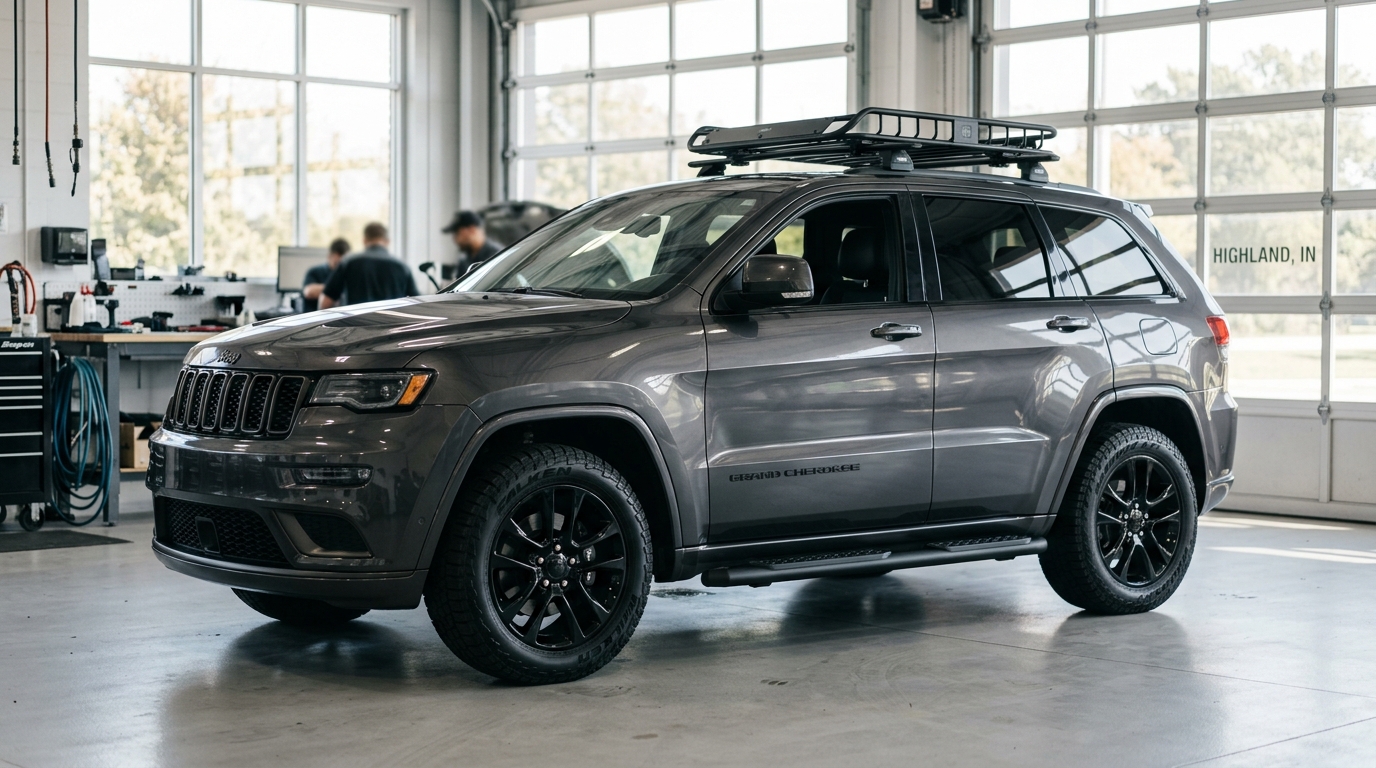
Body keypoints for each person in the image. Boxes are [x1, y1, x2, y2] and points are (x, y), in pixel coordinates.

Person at [319, 223, 418, 308]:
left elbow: (325, 302)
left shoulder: (349, 262)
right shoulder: (402, 267)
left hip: (355, 327)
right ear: (387, 241)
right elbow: (416, 305)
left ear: (365, 240)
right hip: (393, 328)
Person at [442, 210, 503, 277]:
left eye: (457, 233)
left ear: (472, 230)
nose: (455, 240)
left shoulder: (496, 257)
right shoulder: (464, 261)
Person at [300, 238, 350, 312]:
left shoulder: (347, 274)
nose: (339, 267)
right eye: (337, 263)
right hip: (315, 319)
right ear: (329, 256)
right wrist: (338, 288)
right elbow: (309, 292)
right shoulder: (315, 272)